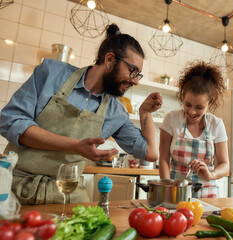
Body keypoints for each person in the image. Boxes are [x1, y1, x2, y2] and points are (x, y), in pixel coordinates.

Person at [0, 24, 162, 204]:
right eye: (133, 71)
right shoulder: (52, 73)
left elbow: (151, 153)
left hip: (67, 193)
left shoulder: (115, 112)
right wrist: (75, 145)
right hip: (15, 187)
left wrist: (145, 112)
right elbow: (11, 122)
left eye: (138, 75)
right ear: (110, 60)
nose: (135, 81)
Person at [159, 61, 229, 198]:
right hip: (176, 192)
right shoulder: (171, 119)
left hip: (209, 194)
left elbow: (225, 165)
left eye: (199, 107)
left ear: (210, 102)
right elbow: (163, 159)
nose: (191, 112)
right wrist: (167, 188)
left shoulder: (216, 124)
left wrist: (211, 174)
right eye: (188, 104)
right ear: (182, 98)